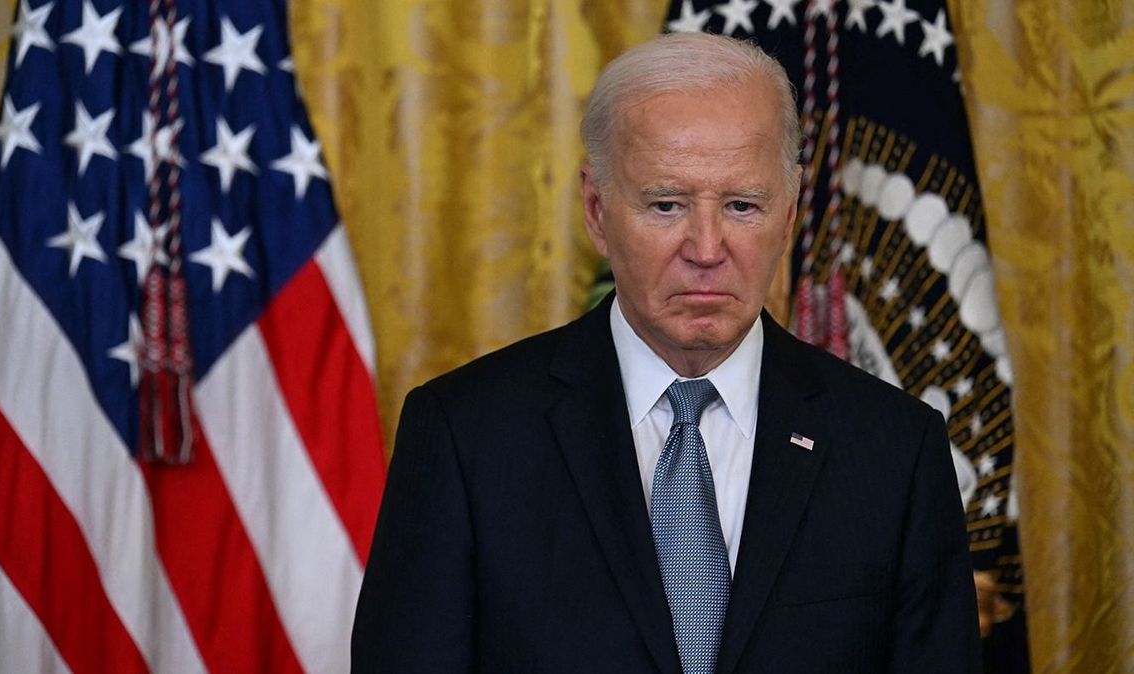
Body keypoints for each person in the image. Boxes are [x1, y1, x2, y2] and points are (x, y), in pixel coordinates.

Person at [352, 32, 980, 673]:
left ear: (789, 216)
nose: (706, 249)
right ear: (597, 211)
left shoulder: (896, 451)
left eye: (741, 205)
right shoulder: (465, 435)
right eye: (666, 204)